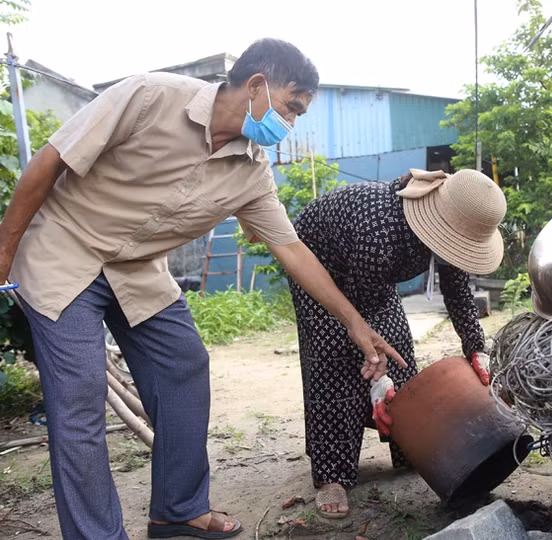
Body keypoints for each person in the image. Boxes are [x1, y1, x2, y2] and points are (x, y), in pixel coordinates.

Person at [0, 38, 405, 540]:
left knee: (183, 365)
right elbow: (50, 161)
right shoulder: (149, 96)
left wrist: (357, 325)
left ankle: (177, 511)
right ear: (256, 86)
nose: (293, 123)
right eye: (292, 107)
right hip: (63, 251)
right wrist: (5, 249)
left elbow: (293, 250)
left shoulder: (252, 171)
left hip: (136, 268)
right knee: (80, 397)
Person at [288, 168, 507, 518]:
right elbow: (365, 326)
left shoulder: (452, 225)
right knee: (333, 353)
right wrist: (378, 376)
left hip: (371, 274)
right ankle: (332, 475)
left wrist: (476, 347)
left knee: (399, 350)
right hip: (317, 264)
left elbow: (457, 291)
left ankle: (410, 447)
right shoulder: (380, 232)